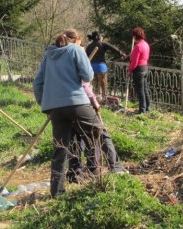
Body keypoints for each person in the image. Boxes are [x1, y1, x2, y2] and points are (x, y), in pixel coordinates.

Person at [33, 29, 126, 197]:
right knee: (101, 133)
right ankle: (117, 169)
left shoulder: (48, 54)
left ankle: (57, 192)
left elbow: (38, 83)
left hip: (55, 108)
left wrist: (45, 105)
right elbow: (88, 76)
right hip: (76, 102)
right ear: (75, 41)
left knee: (60, 148)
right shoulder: (76, 50)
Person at [85, 31, 127, 103]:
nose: (102, 38)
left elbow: (86, 57)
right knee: (103, 85)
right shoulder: (102, 44)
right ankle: (105, 101)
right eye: (101, 36)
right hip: (101, 68)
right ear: (98, 37)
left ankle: (97, 101)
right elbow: (113, 48)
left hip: (92, 68)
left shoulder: (89, 46)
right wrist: (122, 54)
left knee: (95, 86)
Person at [127, 27, 151, 114]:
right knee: (145, 89)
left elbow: (134, 62)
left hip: (139, 69)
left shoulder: (137, 46)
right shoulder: (146, 44)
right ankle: (148, 107)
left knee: (140, 90)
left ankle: (142, 110)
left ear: (135, 36)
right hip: (145, 67)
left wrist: (129, 70)